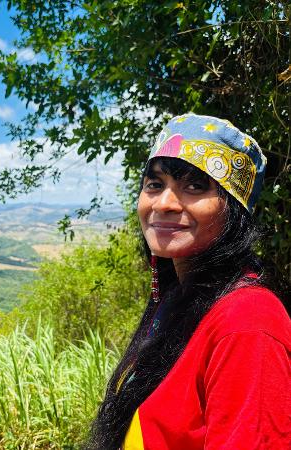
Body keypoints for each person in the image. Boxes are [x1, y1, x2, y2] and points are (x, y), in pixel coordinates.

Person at [86, 114, 290, 450]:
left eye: (194, 186)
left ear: (233, 210)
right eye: (155, 184)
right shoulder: (180, 300)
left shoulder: (248, 321)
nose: (164, 203)